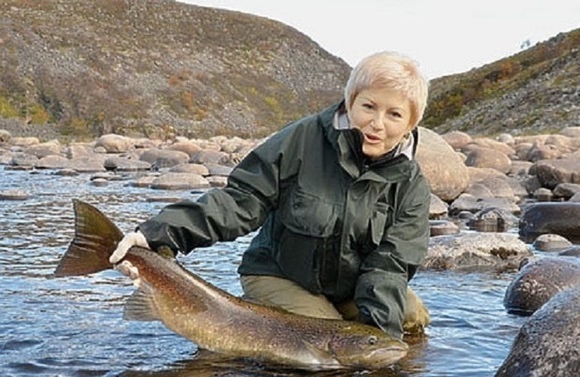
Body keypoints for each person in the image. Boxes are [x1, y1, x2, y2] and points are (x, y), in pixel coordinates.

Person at [110, 51, 432, 340]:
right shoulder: (302, 140)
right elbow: (241, 201)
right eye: (369, 106)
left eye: (394, 114)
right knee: (318, 340)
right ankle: (259, 315)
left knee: (409, 318)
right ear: (351, 102)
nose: (377, 123)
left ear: (410, 123)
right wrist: (156, 235)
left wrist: (380, 356)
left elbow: (389, 267)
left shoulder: (411, 186)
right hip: (279, 273)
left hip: (347, 284)